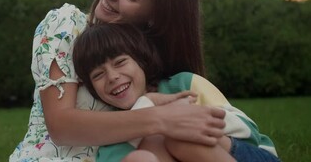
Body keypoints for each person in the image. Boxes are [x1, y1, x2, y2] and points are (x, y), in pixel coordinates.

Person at [9, 0, 227, 162]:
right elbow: (61, 126)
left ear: (154, 17)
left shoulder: (146, 62)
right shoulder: (68, 25)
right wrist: (160, 119)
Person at [72, 23, 280, 162]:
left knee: (179, 137)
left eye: (120, 62)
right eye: (98, 75)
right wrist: (148, 104)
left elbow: (249, 131)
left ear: (141, 60)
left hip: (246, 154)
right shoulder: (112, 127)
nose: (112, 76)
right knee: (141, 157)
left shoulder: (184, 83)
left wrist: (193, 119)